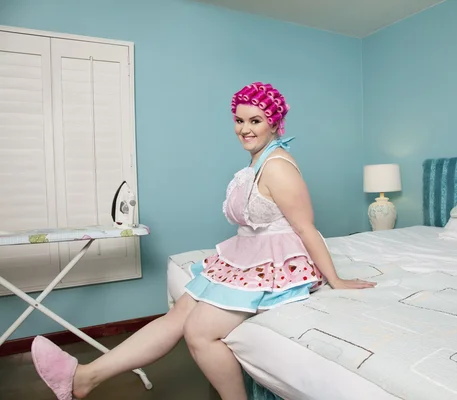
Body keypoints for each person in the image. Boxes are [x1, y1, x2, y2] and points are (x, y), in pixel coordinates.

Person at [30, 82, 376, 400]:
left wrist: (336, 280)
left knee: (199, 331)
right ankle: (85, 378)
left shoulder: (278, 166)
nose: (245, 129)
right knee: (181, 311)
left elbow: (305, 228)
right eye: (239, 120)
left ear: (274, 122)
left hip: (275, 263)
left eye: (255, 120)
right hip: (247, 253)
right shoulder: (258, 161)